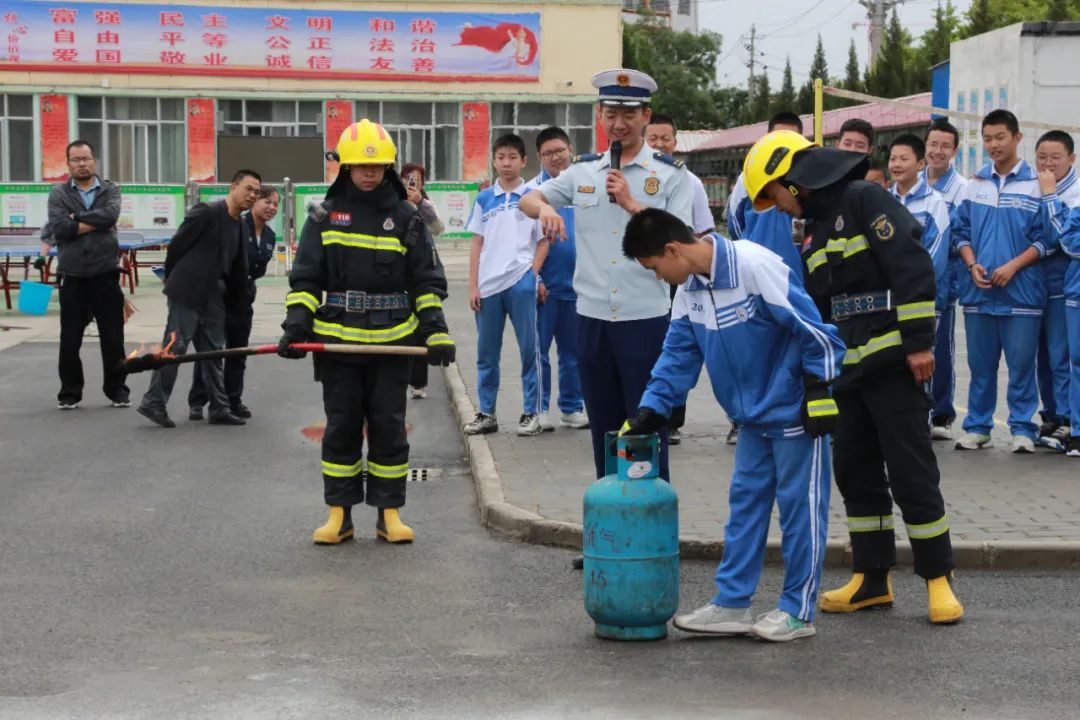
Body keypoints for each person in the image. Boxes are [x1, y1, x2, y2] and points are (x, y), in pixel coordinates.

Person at [742, 130, 964, 625]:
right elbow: (819, 310)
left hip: (893, 365)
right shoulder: (813, 232)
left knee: (912, 473)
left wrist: (920, 342)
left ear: (792, 181)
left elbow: (910, 263)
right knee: (856, 474)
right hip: (848, 372)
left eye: (774, 196)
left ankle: (937, 578)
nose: (777, 209)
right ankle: (872, 579)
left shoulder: (865, 198)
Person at [623, 208, 844, 642]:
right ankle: (732, 603)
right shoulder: (689, 288)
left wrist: (819, 391)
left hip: (796, 413)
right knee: (744, 507)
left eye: (654, 268)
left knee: (801, 511)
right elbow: (678, 353)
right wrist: (653, 407)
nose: (657, 277)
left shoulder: (754, 265)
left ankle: (798, 610)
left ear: (672, 249)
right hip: (751, 419)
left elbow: (815, 330)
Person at [521, 69, 693, 570]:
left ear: (645, 118)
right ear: (600, 117)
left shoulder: (672, 176)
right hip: (592, 317)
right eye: (610, 113)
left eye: (628, 114)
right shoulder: (582, 173)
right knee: (603, 429)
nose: (618, 123)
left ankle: (652, 531)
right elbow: (531, 197)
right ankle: (608, 531)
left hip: (645, 318)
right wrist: (544, 212)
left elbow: (681, 240)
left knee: (647, 428)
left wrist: (632, 203)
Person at [278, 119, 454, 545]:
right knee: (341, 427)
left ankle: (389, 513)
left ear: (389, 168)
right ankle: (339, 514)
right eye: (360, 166)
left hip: (393, 343)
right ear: (346, 168)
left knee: (389, 428)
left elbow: (427, 283)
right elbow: (305, 280)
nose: (369, 173)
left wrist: (436, 332)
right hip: (338, 341)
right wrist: (296, 324)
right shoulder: (323, 217)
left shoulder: (408, 218)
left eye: (376, 167)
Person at [951, 110, 1049, 454]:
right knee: (980, 367)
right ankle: (978, 426)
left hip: (1022, 293)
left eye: (1000, 137)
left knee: (1021, 365)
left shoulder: (1037, 183)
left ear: (1017, 138)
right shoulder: (974, 183)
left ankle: (1023, 428)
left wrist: (1013, 266)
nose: (993, 145)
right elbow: (959, 232)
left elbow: (1045, 239)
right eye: (988, 138)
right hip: (979, 293)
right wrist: (972, 263)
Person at [136, 170, 259, 428]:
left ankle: (219, 407)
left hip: (215, 295)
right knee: (175, 347)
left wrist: (238, 301)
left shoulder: (239, 224)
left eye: (256, 192)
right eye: (248, 189)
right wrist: (170, 277)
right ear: (233, 186)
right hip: (189, 289)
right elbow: (178, 244)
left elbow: (237, 266)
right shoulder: (207, 212)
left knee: (214, 352)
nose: (252, 195)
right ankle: (154, 402)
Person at [724, 110, 806, 446]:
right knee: (757, 350)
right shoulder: (748, 180)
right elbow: (735, 224)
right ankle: (746, 417)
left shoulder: (808, 183)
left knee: (800, 350)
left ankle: (803, 413)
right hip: (758, 283)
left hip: (801, 282)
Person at [463, 134, 549, 437]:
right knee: (486, 353)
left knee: (530, 350)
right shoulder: (485, 198)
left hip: (520, 283)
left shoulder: (535, 196)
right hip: (488, 287)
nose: (506, 163)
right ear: (494, 160)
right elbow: (476, 243)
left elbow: (543, 241)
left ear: (524, 161)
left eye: (512, 157)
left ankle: (531, 413)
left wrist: (532, 275)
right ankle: (487, 412)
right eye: (500, 157)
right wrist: (473, 286)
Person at [644, 113, 716, 446]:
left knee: (677, 342)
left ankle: (672, 418)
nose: (659, 144)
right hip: (643, 276)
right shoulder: (633, 178)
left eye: (665, 139)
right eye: (653, 138)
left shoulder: (691, 183)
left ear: (676, 142)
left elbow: (703, 231)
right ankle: (646, 408)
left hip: (679, 275)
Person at [45, 140, 129, 410]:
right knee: (70, 339)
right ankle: (69, 393)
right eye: (75, 159)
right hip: (73, 275)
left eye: (86, 158)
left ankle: (117, 390)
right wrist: (91, 222)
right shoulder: (58, 193)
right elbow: (60, 228)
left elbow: (110, 216)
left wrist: (77, 218)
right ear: (68, 163)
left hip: (105, 273)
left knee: (113, 337)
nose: (81, 164)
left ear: (94, 160)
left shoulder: (110, 189)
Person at [187, 185, 279, 421]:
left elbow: (258, 269)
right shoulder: (236, 224)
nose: (271, 208)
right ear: (254, 201)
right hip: (220, 295)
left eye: (276, 204)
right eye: (267, 202)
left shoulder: (269, 236)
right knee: (211, 350)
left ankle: (233, 400)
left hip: (244, 298)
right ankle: (198, 400)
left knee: (238, 350)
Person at [526, 127, 589, 432]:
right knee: (539, 352)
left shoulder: (585, 187)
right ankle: (539, 409)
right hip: (544, 288)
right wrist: (533, 278)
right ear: (540, 157)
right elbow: (522, 244)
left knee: (573, 352)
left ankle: (572, 407)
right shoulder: (532, 193)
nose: (556, 157)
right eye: (549, 153)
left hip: (578, 287)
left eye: (560, 150)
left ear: (570, 149)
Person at [922, 119, 969, 439]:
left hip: (943, 282)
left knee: (940, 350)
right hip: (906, 283)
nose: (937, 151)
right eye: (933, 144)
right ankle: (916, 410)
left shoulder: (962, 188)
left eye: (944, 146)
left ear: (954, 151)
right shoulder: (913, 182)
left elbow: (963, 233)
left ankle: (941, 413)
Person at [1033, 131, 1080, 450]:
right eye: (1042, 158)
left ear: (1071, 159)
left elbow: (1067, 240)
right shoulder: (1029, 185)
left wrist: (1050, 196)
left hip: (1067, 286)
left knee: (1065, 355)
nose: (1048, 164)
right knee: (1042, 356)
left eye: (1055, 158)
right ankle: (1051, 413)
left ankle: (1067, 418)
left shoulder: (1074, 193)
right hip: (1034, 283)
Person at [887, 134, 950, 308]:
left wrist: (912, 284)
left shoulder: (934, 202)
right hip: (890, 299)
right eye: (893, 159)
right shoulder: (883, 200)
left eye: (904, 159)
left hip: (923, 298)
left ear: (921, 164)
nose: (896, 164)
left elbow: (937, 255)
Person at [401, 162, 445, 400]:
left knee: (420, 329)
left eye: (416, 178)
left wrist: (419, 203)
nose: (411, 182)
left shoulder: (426, 203)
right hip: (398, 270)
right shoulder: (394, 202)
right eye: (408, 177)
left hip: (422, 270)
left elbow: (438, 228)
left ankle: (418, 382)